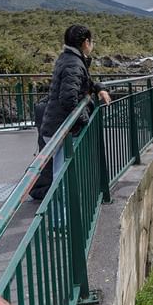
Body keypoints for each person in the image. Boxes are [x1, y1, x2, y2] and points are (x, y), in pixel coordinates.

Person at [40, 24, 112, 186]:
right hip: (64, 130)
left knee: (63, 175)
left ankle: (64, 210)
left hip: (56, 126)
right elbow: (68, 98)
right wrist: (86, 120)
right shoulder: (74, 63)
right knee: (63, 180)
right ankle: (63, 211)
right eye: (92, 41)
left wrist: (99, 88)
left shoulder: (67, 58)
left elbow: (82, 82)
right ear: (86, 42)